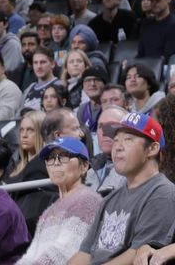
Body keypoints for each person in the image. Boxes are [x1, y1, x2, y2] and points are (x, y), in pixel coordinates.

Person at [69, 112, 175, 265]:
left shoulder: (162, 194)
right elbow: (85, 253)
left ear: (152, 149)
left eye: (128, 140)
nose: (117, 147)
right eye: (116, 140)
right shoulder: (110, 199)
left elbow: (137, 256)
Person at [17, 137, 102, 265]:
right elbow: (31, 255)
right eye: (51, 158)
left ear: (84, 166)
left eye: (64, 156)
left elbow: (64, 252)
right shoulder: (48, 212)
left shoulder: (88, 200)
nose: (56, 163)